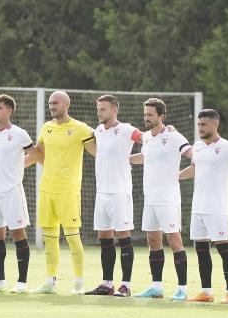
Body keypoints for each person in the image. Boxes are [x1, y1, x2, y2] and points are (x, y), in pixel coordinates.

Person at [179, 109, 228, 303]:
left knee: (223, 249)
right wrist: (174, 177)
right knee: (200, 248)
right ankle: (206, 292)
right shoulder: (198, 147)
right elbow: (194, 169)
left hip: (217, 208)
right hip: (198, 207)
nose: (200, 128)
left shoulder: (227, 147)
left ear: (215, 124)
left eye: (204, 124)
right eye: (199, 124)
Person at [31, 91, 96, 294]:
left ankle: (79, 282)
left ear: (66, 104)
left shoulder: (80, 128)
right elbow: (38, 154)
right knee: (49, 238)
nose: (52, 106)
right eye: (50, 103)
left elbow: (97, 152)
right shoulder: (46, 128)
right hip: (46, 189)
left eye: (56, 103)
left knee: (72, 237)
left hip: (68, 191)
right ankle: (50, 282)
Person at [130, 98, 192, 301]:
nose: (146, 118)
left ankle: (182, 288)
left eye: (150, 114)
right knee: (153, 240)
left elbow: (192, 154)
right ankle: (156, 287)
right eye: (145, 114)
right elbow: (145, 157)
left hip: (168, 198)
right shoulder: (146, 137)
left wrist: (183, 173)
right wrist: (124, 159)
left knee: (174, 240)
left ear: (161, 116)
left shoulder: (174, 136)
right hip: (151, 199)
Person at [84, 95, 142, 297]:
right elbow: (98, 152)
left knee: (123, 236)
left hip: (120, 192)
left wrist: (166, 131)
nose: (99, 112)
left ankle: (125, 285)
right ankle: (107, 284)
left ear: (114, 110)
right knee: (104, 237)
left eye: (103, 109)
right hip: (102, 193)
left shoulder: (126, 129)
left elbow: (146, 138)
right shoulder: (99, 131)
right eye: (98, 108)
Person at [0, 94, 39, 294]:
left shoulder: (20, 134)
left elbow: (38, 156)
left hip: (12, 191)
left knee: (17, 232)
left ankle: (22, 283)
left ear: (9, 111)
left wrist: (18, 169)